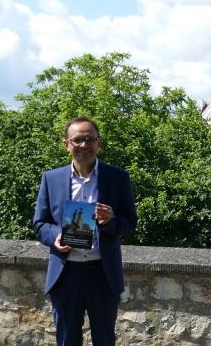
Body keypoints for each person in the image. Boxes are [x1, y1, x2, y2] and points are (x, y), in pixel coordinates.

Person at [33, 117, 137, 346]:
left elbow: (130, 222)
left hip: (102, 273)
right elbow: (40, 223)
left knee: (104, 340)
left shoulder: (117, 178)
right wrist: (55, 237)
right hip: (65, 273)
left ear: (99, 142)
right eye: (77, 140)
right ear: (66, 144)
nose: (84, 145)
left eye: (90, 139)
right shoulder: (51, 179)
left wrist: (110, 221)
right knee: (67, 340)